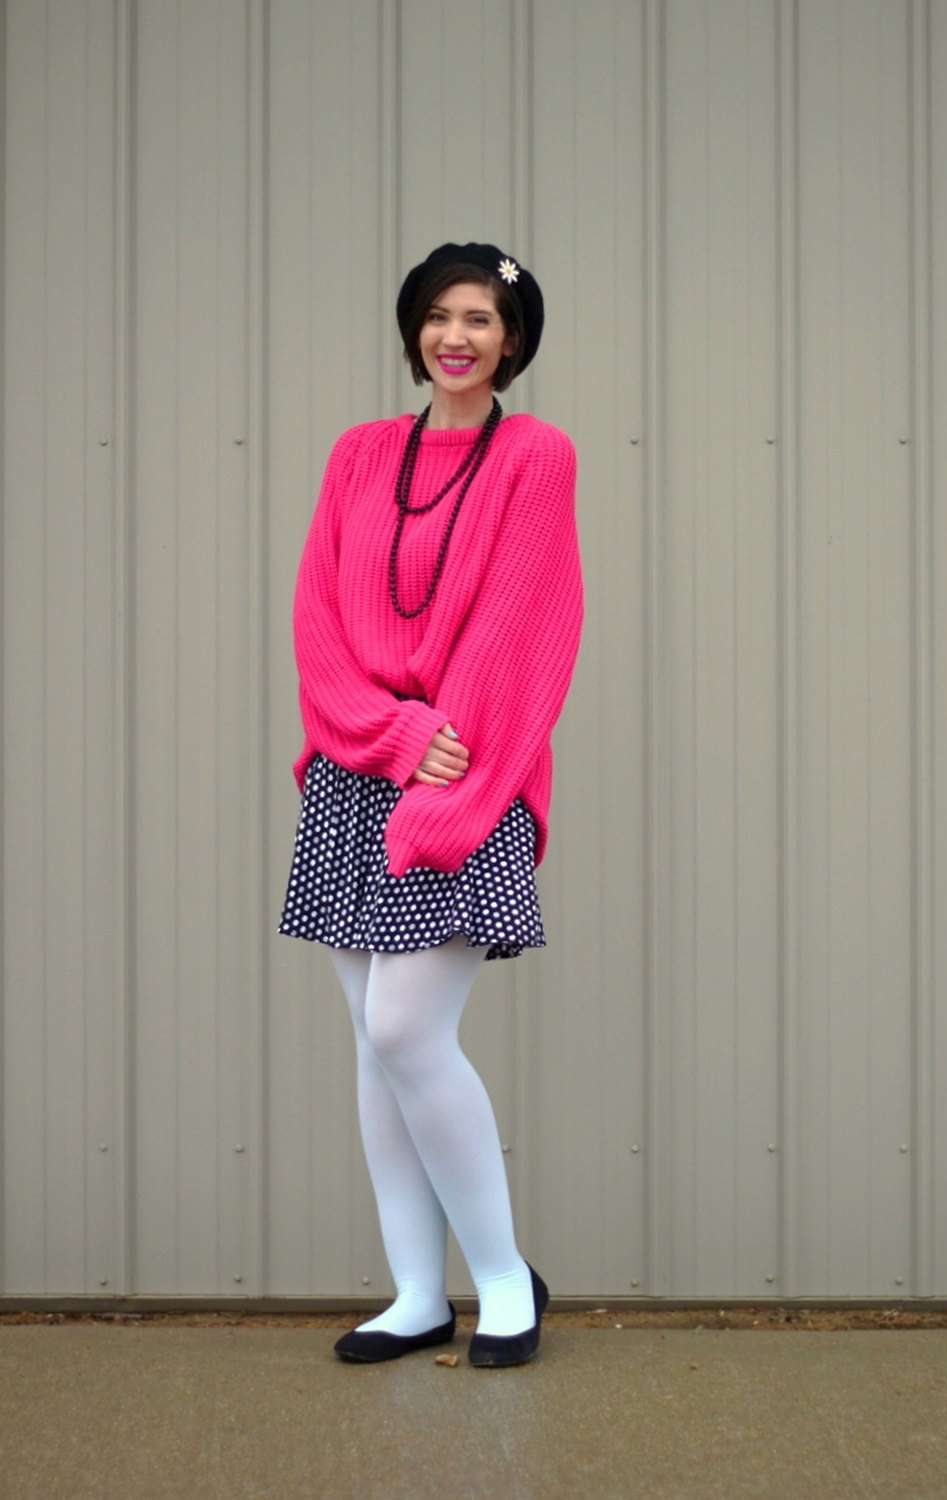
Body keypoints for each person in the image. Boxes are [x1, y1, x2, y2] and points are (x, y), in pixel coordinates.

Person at [279, 242, 583, 1367]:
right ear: (414, 329)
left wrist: (438, 760)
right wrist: (390, 733)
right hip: (361, 770)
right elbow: (318, 622)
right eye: (440, 316)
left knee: (409, 1027)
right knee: (375, 1045)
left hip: (472, 771)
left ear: (513, 341)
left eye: (484, 320)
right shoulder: (360, 455)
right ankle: (416, 1293)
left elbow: (522, 633)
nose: (458, 336)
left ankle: (504, 1278)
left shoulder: (535, 457)